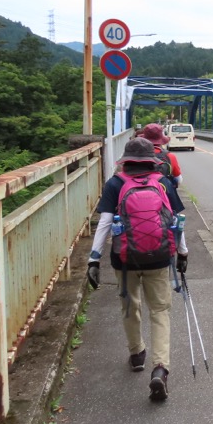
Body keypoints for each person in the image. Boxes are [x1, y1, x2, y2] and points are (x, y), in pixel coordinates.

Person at [86, 137, 187, 401]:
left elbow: (105, 223)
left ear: (126, 160)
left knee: (130, 306)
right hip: (159, 258)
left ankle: (136, 354)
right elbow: (176, 222)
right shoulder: (163, 183)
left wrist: (93, 259)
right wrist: (182, 253)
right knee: (160, 311)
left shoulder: (115, 183)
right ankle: (160, 369)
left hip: (125, 259)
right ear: (151, 161)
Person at [139, 123, 188, 268]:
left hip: (139, 197)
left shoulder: (136, 156)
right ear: (162, 140)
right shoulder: (169, 156)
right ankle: (183, 252)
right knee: (175, 218)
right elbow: (179, 179)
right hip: (164, 195)